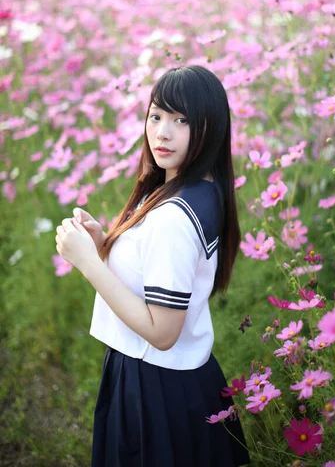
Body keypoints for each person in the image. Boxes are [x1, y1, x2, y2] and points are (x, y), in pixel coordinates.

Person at [68, 65, 251, 466]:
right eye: (156, 116)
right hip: (181, 380)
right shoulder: (198, 188)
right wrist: (104, 245)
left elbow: (162, 332)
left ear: (210, 128)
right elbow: (157, 268)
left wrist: (88, 265)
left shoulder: (173, 216)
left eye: (181, 120)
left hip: (154, 388)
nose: (162, 132)